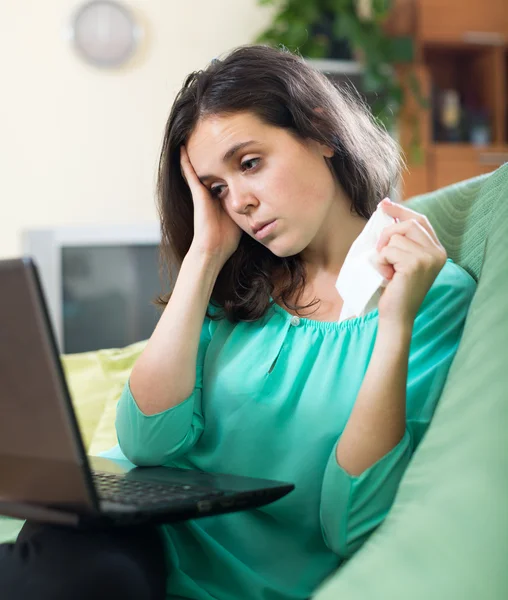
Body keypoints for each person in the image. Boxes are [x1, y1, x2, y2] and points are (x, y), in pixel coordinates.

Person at [0, 44, 476, 600]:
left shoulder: (429, 295)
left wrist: (394, 327)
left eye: (250, 163)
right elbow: (147, 441)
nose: (241, 204)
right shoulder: (236, 285)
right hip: (127, 544)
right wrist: (204, 254)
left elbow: (353, 524)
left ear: (321, 131)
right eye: (217, 189)